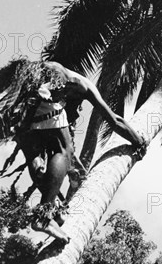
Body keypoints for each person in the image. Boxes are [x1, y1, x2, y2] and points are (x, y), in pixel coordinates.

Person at [17, 61, 146, 243]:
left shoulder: (46, 81)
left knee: (35, 156)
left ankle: (52, 210)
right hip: (36, 96)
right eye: (78, 108)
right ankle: (43, 216)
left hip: (21, 107)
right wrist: (139, 141)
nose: (77, 114)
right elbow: (114, 120)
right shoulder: (82, 84)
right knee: (64, 150)